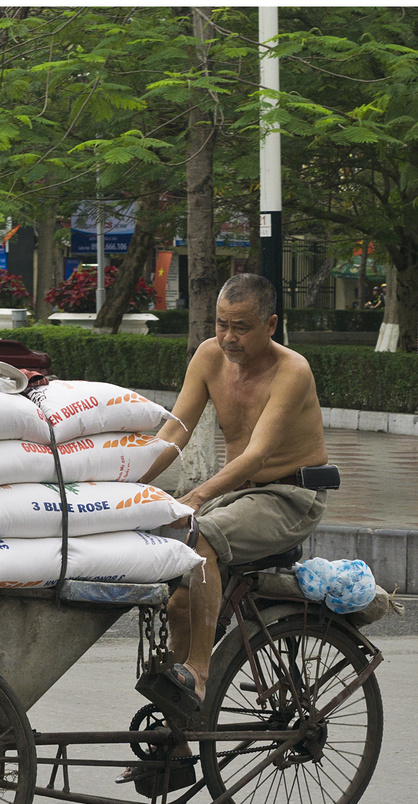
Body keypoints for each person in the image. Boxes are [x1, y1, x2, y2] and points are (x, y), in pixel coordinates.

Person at [134, 272, 330, 720]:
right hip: (241, 493)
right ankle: (179, 724)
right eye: (221, 323)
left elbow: (259, 455)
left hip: (292, 496)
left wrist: (197, 496)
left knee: (202, 535)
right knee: (178, 598)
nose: (227, 337)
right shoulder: (208, 356)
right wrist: (128, 483)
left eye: (240, 327)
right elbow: (175, 430)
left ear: (271, 325)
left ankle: (199, 674)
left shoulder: (292, 370)